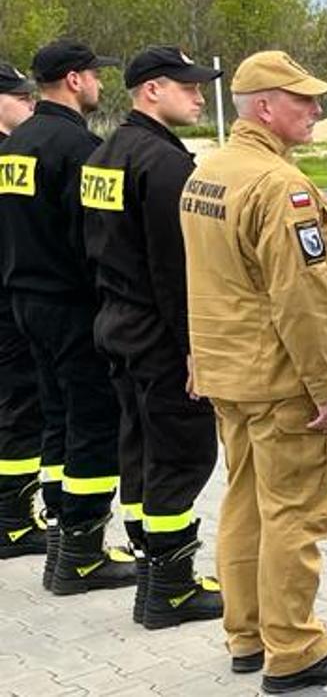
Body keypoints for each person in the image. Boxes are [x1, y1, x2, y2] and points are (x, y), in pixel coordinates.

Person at [178, 51, 327, 692]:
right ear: (265, 107)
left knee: (245, 502)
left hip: (227, 373)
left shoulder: (208, 172)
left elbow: (200, 280)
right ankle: (293, 648)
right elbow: (303, 299)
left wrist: (197, 357)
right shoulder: (277, 186)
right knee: (296, 512)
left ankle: (248, 633)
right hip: (281, 381)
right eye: (304, 100)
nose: (317, 110)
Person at [81, 46, 225, 628]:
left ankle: (151, 569)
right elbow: (175, 269)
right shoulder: (164, 165)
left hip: (116, 321)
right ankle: (171, 587)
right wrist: (196, 348)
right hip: (159, 332)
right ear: (150, 92)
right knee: (181, 453)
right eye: (186, 87)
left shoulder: (106, 154)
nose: (197, 95)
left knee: (139, 449)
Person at [0, 39, 136, 596]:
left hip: (25, 299)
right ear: (75, 81)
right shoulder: (78, 147)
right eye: (95, 76)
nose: (101, 84)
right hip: (71, 304)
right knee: (92, 423)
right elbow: (95, 237)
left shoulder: (20, 141)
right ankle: (83, 553)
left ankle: (61, 536)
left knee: (56, 417)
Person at [0, 61, 48, 561]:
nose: (31, 106)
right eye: (21, 98)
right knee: (18, 409)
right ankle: (12, 521)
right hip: (10, 301)